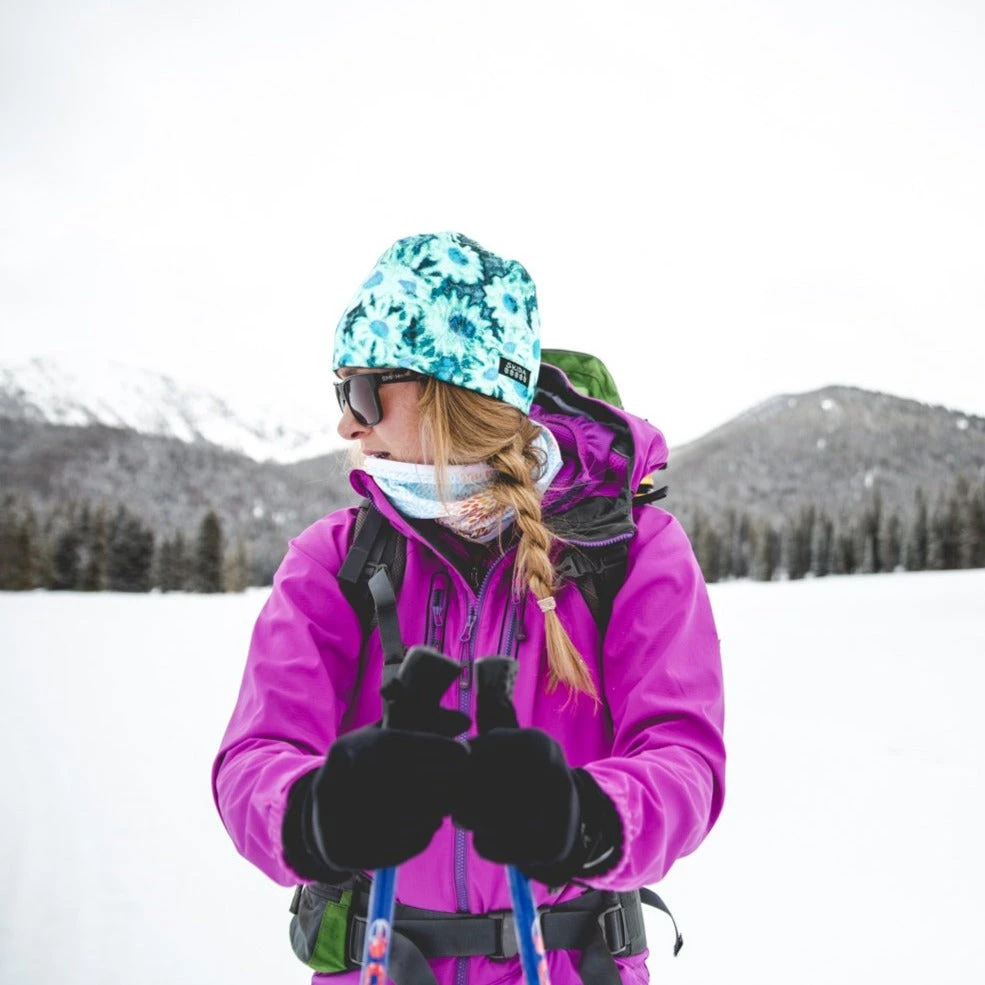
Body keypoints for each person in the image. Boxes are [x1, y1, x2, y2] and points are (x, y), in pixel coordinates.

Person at [211, 231, 726, 985]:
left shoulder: (631, 549)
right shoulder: (336, 557)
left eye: (361, 392)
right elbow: (252, 759)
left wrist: (584, 815)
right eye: (338, 394)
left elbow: (685, 761)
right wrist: (315, 810)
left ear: (453, 389)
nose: (346, 426)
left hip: (572, 965)